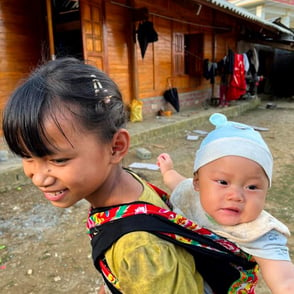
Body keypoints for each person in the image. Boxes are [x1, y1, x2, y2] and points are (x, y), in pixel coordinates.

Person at [2, 57, 203, 293]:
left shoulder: (140, 250)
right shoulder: (128, 186)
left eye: (57, 160)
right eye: (27, 157)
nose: (38, 177)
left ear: (115, 147)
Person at [157, 113, 294, 294]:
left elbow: (285, 280)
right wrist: (168, 170)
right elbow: (178, 183)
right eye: (223, 182)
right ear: (197, 183)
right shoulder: (191, 194)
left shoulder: (259, 231)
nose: (236, 196)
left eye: (252, 187)